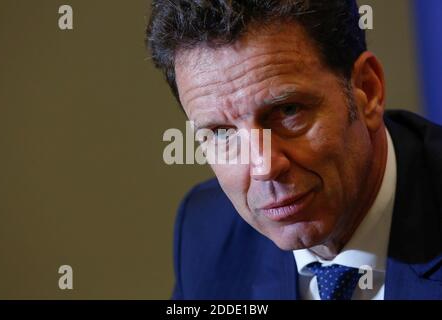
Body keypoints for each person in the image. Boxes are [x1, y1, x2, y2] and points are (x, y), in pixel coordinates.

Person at [146, 0, 442, 300]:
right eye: (222, 133)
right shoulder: (209, 234)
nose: (264, 167)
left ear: (367, 90)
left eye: (288, 110)